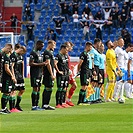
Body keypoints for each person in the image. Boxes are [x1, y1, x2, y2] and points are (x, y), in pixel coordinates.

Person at [29, 40, 47, 110]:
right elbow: (31, 63)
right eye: (41, 46)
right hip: (34, 73)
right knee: (35, 88)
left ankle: (37, 105)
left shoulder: (39, 53)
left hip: (39, 73)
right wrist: (42, 64)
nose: (42, 47)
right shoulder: (33, 53)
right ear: (37, 45)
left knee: (38, 88)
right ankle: (34, 105)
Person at [10, 44, 26, 112]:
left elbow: (22, 65)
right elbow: (12, 67)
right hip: (15, 75)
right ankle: (12, 107)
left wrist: (22, 75)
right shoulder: (13, 55)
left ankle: (17, 105)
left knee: (22, 90)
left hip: (19, 76)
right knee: (13, 91)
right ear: (21, 50)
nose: (22, 54)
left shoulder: (20, 56)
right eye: (23, 52)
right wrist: (13, 76)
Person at [0, 44, 15, 114]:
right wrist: (12, 75)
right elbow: (6, 68)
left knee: (8, 92)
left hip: (7, 77)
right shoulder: (6, 57)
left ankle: (5, 107)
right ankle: (3, 109)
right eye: (11, 50)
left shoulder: (8, 57)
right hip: (6, 77)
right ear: (9, 49)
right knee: (6, 92)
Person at [42, 40, 56, 110]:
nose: (54, 46)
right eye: (53, 45)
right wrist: (52, 74)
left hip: (49, 73)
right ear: (49, 44)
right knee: (48, 88)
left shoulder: (50, 52)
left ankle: (46, 104)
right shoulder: (46, 53)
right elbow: (48, 64)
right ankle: (45, 104)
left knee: (49, 88)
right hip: (48, 73)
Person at [65, 42, 77, 106]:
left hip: (69, 72)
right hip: (67, 73)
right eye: (70, 46)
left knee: (74, 85)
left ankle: (68, 100)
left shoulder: (67, 55)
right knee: (66, 87)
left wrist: (70, 67)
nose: (71, 48)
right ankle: (65, 101)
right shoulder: (64, 54)